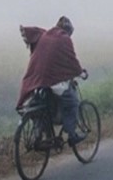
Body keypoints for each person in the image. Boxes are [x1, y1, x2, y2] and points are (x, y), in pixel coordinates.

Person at [16, 16, 88, 146]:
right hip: (53, 80)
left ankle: (40, 134)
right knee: (73, 102)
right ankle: (71, 135)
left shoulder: (45, 35)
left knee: (41, 106)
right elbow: (72, 60)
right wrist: (80, 72)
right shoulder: (64, 39)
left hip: (37, 80)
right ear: (68, 31)